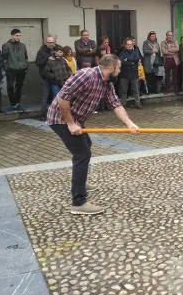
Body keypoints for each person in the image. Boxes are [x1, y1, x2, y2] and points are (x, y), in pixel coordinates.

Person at [47, 54, 139, 215]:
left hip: (77, 119)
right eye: (118, 69)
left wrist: (129, 123)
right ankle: (78, 202)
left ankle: (80, 182)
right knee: (82, 154)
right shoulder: (86, 75)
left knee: (86, 146)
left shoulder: (107, 83)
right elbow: (62, 98)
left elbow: (115, 104)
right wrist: (70, 123)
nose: (119, 72)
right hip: (60, 119)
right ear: (111, 68)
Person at [2, 28, 28, 112]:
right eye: (17, 35)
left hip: (21, 70)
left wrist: (25, 66)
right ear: (12, 35)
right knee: (10, 86)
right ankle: (12, 104)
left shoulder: (22, 45)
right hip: (11, 69)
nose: (18, 37)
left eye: (20, 35)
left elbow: (26, 57)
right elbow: (4, 58)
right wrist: (7, 67)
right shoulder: (6, 45)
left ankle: (17, 104)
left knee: (19, 86)